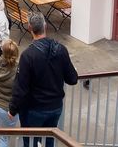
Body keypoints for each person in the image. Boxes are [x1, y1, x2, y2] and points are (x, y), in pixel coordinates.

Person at [9, 12, 78, 147]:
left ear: (29, 28)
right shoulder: (61, 49)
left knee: (30, 142)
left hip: (34, 110)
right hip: (55, 107)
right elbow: (72, 79)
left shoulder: (28, 56)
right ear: (45, 26)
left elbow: (20, 88)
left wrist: (12, 109)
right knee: (49, 139)